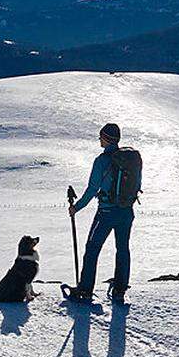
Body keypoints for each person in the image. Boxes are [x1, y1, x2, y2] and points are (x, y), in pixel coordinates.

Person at [67, 123, 135, 304]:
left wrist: (76, 207)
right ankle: (120, 290)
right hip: (126, 211)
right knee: (122, 249)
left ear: (106, 138)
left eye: (101, 137)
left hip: (106, 213)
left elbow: (92, 190)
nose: (99, 140)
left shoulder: (102, 161)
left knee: (92, 249)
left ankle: (85, 290)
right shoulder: (131, 159)